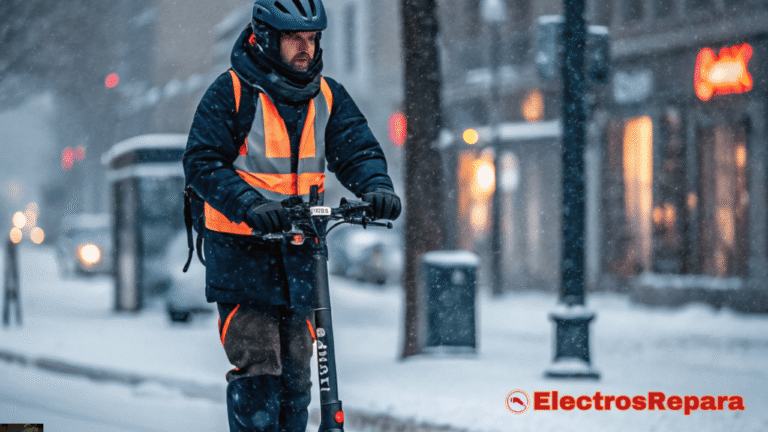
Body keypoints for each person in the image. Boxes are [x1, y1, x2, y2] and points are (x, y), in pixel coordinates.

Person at [182, 0, 401, 431]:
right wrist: (249, 205)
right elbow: (203, 163)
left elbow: (357, 150)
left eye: (311, 38)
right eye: (293, 39)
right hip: (243, 258)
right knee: (261, 371)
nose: (305, 48)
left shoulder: (327, 96)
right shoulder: (232, 92)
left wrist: (376, 187)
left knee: (299, 379)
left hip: (300, 257)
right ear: (265, 37)